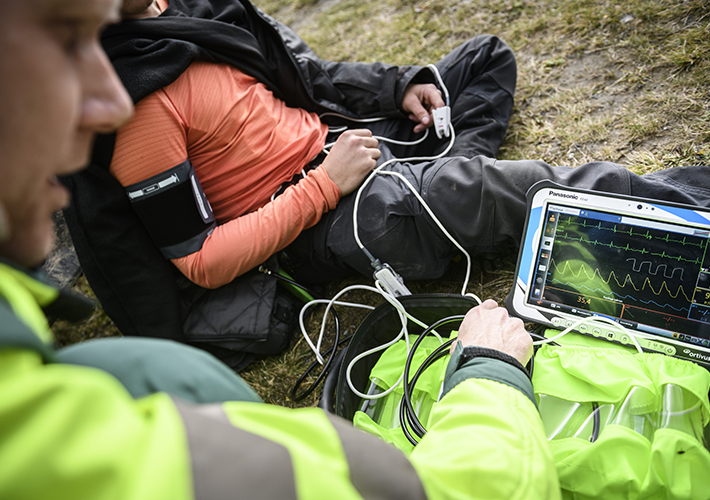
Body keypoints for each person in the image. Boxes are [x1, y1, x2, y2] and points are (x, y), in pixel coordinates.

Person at [0, 2, 562, 498]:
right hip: (322, 212)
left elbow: (310, 75)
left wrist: (397, 89)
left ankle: (442, 186)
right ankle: (617, 198)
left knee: (483, 57)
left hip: (345, 146)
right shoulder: (138, 104)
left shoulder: (197, 19)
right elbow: (201, 260)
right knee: (499, 188)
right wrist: (325, 186)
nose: (95, 104)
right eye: (70, 37)